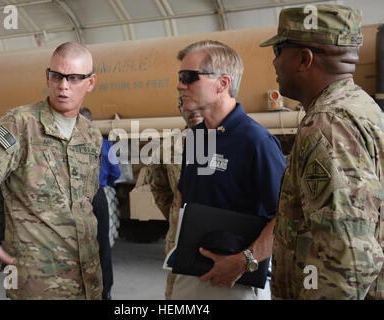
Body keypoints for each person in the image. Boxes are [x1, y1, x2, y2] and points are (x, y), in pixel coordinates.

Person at [0, 42, 104, 300]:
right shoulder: (19, 125)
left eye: (74, 78)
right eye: (57, 76)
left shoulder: (91, 136)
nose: (63, 86)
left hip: (88, 284)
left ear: (91, 82)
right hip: (37, 287)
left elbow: (87, 209)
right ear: (47, 77)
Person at [260, 4, 384, 299]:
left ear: (304, 59)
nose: (274, 63)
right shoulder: (362, 107)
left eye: (278, 51)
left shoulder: (328, 124)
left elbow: (348, 261)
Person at [173, 40, 286, 300]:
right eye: (180, 77)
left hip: (237, 283)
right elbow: (185, 199)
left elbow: (286, 217)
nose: (180, 85)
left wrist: (244, 260)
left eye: (189, 77)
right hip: (191, 276)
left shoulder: (257, 142)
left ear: (222, 84)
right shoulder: (195, 138)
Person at [145, 103, 203, 300]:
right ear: (180, 109)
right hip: (180, 242)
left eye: (198, 105)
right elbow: (159, 188)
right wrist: (175, 216)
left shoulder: (228, 143)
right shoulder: (169, 147)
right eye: (186, 105)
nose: (192, 111)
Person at [80, 107, 121, 300]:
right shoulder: (105, 145)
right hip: (98, 195)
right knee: (102, 243)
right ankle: (105, 291)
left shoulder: (67, 144)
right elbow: (116, 172)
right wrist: (106, 183)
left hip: (77, 196)